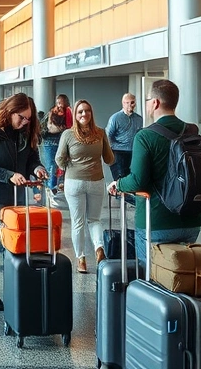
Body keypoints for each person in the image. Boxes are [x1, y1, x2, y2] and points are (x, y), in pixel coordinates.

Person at [107, 79, 201, 265]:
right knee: (181, 278)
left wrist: (117, 184)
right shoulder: (192, 130)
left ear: (155, 103)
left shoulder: (145, 136)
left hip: (156, 221)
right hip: (191, 220)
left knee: (151, 281)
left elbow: (137, 181)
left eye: (148, 100)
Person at [0, 93, 49, 311]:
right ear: (9, 111)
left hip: (13, 193)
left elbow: (31, 159)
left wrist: (37, 168)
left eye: (28, 118)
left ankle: (13, 286)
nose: (25, 122)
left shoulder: (24, 133)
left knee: (14, 241)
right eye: (21, 117)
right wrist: (9, 174)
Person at [55, 99, 114, 274]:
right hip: (96, 181)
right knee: (94, 220)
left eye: (85, 111)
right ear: (76, 114)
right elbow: (110, 159)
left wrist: (68, 164)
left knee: (78, 222)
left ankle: (81, 259)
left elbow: (59, 159)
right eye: (81, 111)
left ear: (89, 113)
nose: (83, 114)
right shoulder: (101, 133)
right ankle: (99, 248)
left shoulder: (68, 134)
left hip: (74, 183)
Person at [43, 94, 73, 206]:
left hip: (61, 141)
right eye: (58, 102)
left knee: (59, 167)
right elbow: (50, 127)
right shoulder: (52, 112)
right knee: (51, 167)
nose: (59, 105)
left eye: (61, 102)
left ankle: (53, 192)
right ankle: (50, 193)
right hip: (50, 141)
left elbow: (70, 126)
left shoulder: (68, 111)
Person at [105, 93, 142, 182]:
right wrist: (109, 152)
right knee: (120, 179)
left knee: (132, 178)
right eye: (127, 102)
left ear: (135, 103)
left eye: (132, 102)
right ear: (123, 103)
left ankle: (128, 196)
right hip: (118, 152)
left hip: (133, 151)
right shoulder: (115, 118)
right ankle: (120, 195)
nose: (130, 105)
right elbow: (108, 135)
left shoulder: (139, 119)